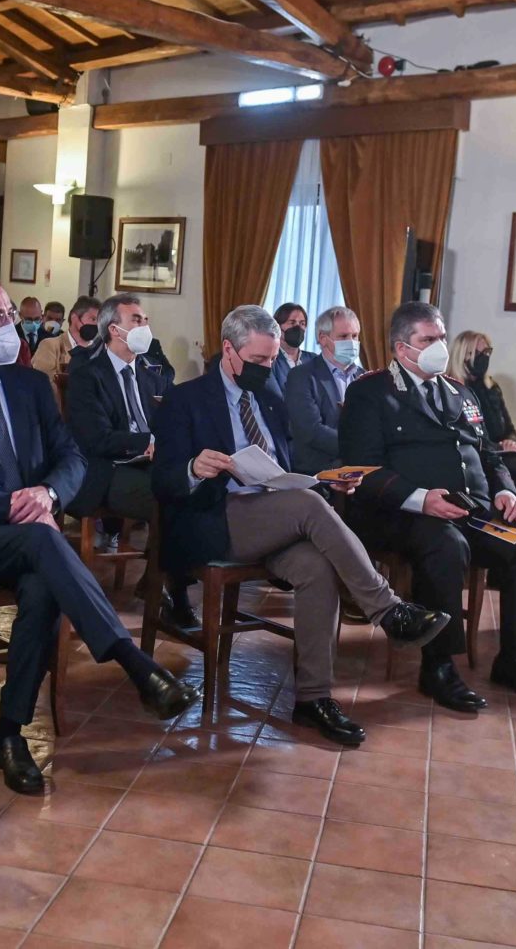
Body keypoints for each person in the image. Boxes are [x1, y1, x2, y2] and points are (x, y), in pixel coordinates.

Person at [0, 275, 198, 792]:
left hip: (25, 538)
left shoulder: (29, 385)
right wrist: (10, 506)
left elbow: (72, 456)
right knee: (45, 544)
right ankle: (132, 662)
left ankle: (10, 733)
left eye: (10, 313)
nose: (10, 325)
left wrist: (49, 494)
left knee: (43, 583)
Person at [152, 304, 446, 746]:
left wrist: (328, 479)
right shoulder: (186, 399)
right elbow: (161, 481)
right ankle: (388, 609)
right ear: (228, 350)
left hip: (274, 512)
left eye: (272, 359)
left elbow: (286, 467)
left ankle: (313, 698)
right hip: (215, 517)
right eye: (258, 360)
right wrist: (193, 468)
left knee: (315, 566)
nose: (267, 368)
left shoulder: (270, 396)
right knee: (307, 506)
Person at [340, 304, 516, 709]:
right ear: (401, 348)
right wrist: (422, 499)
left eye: (441, 337)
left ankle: (515, 659)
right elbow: (362, 468)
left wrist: (505, 492)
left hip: (470, 510)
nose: (439, 346)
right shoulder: (370, 393)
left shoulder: (460, 391)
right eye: (428, 340)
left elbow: (489, 453)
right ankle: (438, 666)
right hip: (402, 513)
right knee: (445, 544)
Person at [64, 293, 190, 622]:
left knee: (195, 488)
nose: (145, 326)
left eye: (145, 320)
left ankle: (158, 578)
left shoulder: (150, 372)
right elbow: (96, 438)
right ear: (113, 329)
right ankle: (173, 590)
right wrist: (147, 442)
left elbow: (171, 419)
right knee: (170, 497)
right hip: (108, 468)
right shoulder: (87, 374)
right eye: (136, 320)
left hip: (150, 464)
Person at [446, 331, 516, 506]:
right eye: (478, 353)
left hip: (503, 454)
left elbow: (508, 428)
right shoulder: (452, 390)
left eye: (487, 352)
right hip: (479, 456)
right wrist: (498, 447)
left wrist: (511, 442)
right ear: (463, 355)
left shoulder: (491, 388)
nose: (484, 358)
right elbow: (465, 436)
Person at [285, 305, 362, 477]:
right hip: (318, 474)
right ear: (323, 338)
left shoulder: (364, 377)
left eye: (355, 336)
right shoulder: (301, 376)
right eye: (343, 336)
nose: (351, 342)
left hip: (361, 472)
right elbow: (311, 430)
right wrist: (357, 446)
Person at [32, 295, 102, 387]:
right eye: (93, 319)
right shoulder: (50, 346)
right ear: (74, 318)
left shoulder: (100, 350)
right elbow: (45, 384)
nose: (97, 324)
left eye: (99, 320)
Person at [271, 303, 315, 392]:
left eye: (302, 323)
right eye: (292, 322)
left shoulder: (314, 359)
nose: (298, 327)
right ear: (277, 326)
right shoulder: (270, 360)